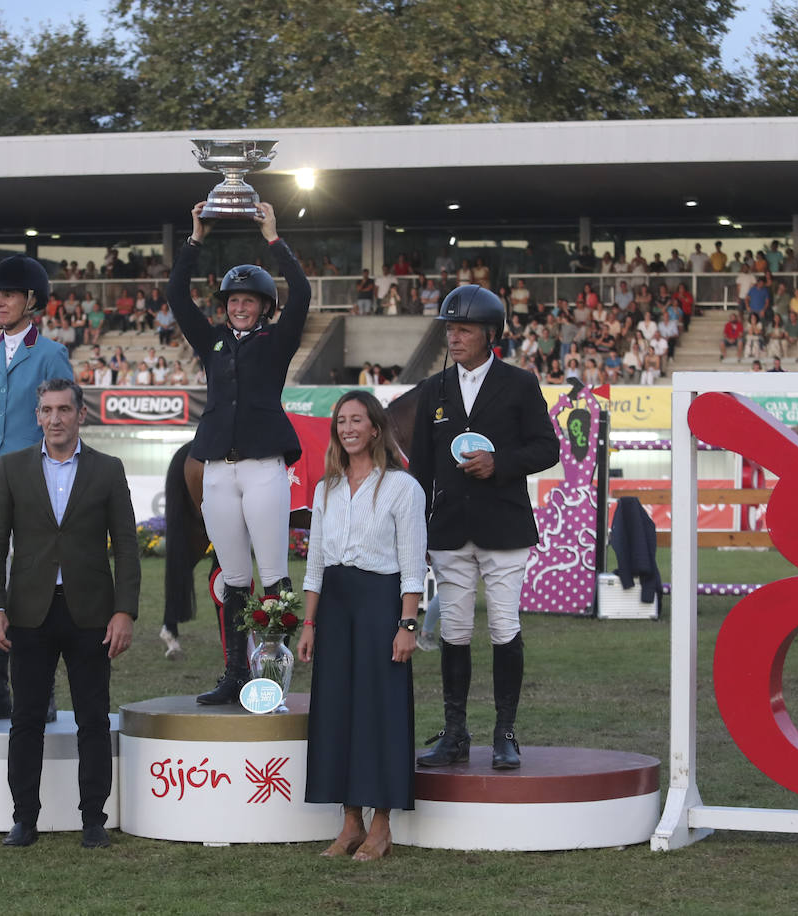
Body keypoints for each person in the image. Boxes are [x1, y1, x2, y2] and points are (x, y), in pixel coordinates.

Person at [0, 379, 138, 849]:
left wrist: (125, 611)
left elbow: (127, 547)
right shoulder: (11, 468)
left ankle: (94, 819)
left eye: (64, 410)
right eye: (47, 410)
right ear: (37, 416)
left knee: (93, 718)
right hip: (27, 614)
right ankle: (24, 819)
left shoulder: (108, 470)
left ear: (80, 415)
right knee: (26, 719)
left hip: (91, 614)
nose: (55, 418)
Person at [409, 285, 560, 770]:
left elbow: (547, 448)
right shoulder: (432, 390)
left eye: (464, 329)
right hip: (450, 529)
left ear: (489, 334)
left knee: (503, 626)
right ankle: (454, 734)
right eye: (449, 329)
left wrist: (501, 463)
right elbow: (422, 470)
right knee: (452, 630)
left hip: (505, 526)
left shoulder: (520, 383)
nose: (453, 337)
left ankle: (505, 733)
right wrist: (417, 529)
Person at [167, 201, 311, 705]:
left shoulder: (278, 340)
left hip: (265, 469)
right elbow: (176, 297)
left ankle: (269, 670)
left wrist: (273, 237)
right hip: (216, 470)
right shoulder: (213, 343)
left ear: (265, 307)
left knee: (272, 574)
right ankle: (234, 673)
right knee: (233, 578)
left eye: (250, 300)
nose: (240, 306)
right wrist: (194, 238)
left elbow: (304, 294)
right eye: (233, 299)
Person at [297, 391, 425, 861]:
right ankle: (350, 822)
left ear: (375, 427)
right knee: (336, 712)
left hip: (380, 605)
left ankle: (382, 824)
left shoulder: (402, 488)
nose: (348, 428)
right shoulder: (325, 489)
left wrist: (407, 623)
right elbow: (314, 565)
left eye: (357, 420)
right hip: (335, 606)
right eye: (341, 421)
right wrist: (309, 623)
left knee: (382, 712)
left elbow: (412, 565)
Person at [0, 254, 73, 722]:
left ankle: (39, 691)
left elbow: (61, 421)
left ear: (31, 301)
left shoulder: (51, 354)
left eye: (7, 294)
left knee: (30, 588)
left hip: (34, 484)